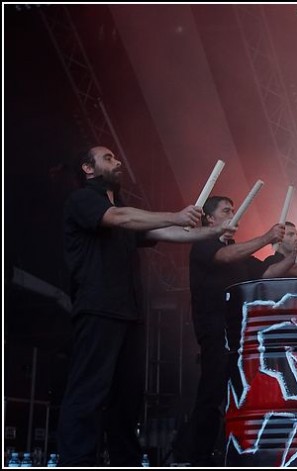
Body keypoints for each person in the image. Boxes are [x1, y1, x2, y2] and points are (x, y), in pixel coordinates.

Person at [59, 146, 232, 467]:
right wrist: (176, 215)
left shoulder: (124, 210)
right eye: (108, 158)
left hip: (129, 314)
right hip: (97, 309)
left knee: (127, 400)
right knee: (88, 394)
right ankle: (76, 462)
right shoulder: (84, 201)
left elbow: (167, 231)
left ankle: (126, 462)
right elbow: (120, 218)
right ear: (88, 168)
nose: (118, 161)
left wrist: (213, 230)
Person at [177, 196, 297, 466]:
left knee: (240, 393)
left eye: (233, 210)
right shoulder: (203, 242)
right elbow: (225, 255)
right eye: (226, 211)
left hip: (240, 332)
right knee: (212, 393)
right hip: (214, 328)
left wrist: (292, 256)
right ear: (210, 219)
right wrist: (266, 236)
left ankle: (234, 452)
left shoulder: (239, 252)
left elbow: (267, 274)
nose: (233, 214)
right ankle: (197, 457)